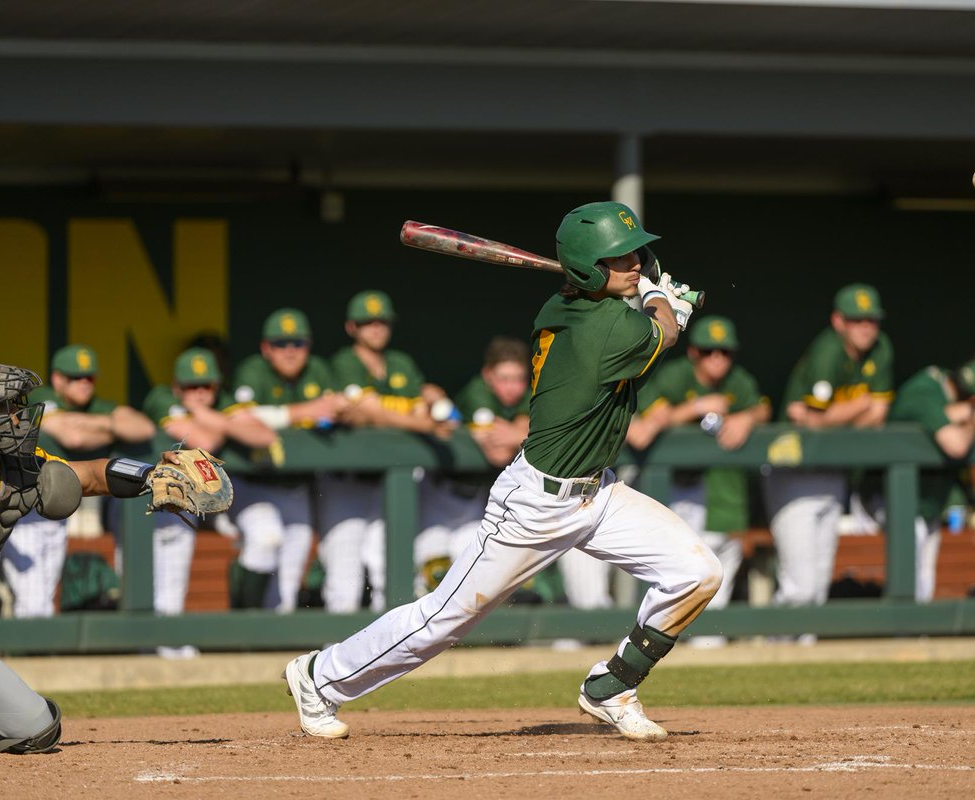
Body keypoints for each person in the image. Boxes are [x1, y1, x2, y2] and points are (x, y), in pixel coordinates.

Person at [284, 200, 719, 742]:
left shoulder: (568, 305)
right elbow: (663, 332)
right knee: (443, 620)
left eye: (634, 252)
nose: (634, 261)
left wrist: (646, 294)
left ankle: (613, 686)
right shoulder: (600, 330)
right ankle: (318, 677)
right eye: (619, 257)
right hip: (537, 504)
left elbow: (644, 321)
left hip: (598, 495)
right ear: (586, 269)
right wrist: (659, 295)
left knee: (696, 572)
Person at [0, 354, 175, 772]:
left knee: (35, 728)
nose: (17, 417)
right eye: (1, 408)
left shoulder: (15, 470)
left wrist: (153, 474)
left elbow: (91, 476)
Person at [627, 314, 770, 641]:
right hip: (671, 490)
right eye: (708, 351)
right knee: (670, 572)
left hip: (719, 491)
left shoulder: (739, 381)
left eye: (724, 351)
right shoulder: (674, 376)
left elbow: (763, 408)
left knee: (716, 568)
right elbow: (644, 429)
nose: (717, 358)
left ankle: (708, 641)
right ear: (693, 353)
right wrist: (694, 408)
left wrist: (746, 417)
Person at [0, 344, 155, 618]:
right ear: (58, 379)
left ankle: (33, 656)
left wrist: (93, 423)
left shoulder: (99, 406)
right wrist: (110, 427)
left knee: (41, 597)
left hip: (57, 505)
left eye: (89, 378)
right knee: (17, 595)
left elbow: (143, 428)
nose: (84, 384)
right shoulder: (42, 397)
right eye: (75, 378)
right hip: (21, 503)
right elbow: (74, 437)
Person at [316, 290, 450, 613]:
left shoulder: (400, 363)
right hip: (345, 482)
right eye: (367, 323)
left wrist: (430, 402)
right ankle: (332, 655)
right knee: (343, 575)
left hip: (389, 485)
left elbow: (427, 400)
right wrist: (424, 424)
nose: (376, 328)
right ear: (352, 328)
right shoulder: (343, 363)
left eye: (382, 322)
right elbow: (367, 412)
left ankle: (382, 653)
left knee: (389, 570)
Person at [766, 284, 893, 611]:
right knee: (800, 585)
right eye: (856, 320)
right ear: (839, 321)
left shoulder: (881, 350)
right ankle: (775, 650)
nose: (866, 327)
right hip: (793, 470)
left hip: (833, 469)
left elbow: (875, 417)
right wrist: (859, 406)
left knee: (820, 580)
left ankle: (804, 653)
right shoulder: (828, 350)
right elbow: (809, 420)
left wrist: (830, 418)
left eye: (872, 319)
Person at [141, 347, 274, 629]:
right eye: (192, 386)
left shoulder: (222, 401)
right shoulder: (161, 397)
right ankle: (164, 633)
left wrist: (203, 414)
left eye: (207, 385)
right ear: (177, 386)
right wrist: (225, 423)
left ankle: (248, 626)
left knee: (268, 533)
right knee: (167, 557)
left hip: (219, 486)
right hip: (159, 493)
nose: (200, 392)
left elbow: (264, 435)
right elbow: (204, 441)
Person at [229, 309, 342, 611]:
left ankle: (269, 647)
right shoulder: (252, 371)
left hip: (296, 487)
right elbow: (242, 418)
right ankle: (241, 622)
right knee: (265, 540)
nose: (290, 351)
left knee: (289, 584)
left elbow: (334, 409)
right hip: (253, 482)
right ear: (267, 348)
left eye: (298, 343)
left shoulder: (317, 370)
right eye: (281, 344)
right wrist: (302, 413)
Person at [887, 360, 975, 602]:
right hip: (890, 503)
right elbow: (957, 445)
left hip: (928, 505)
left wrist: (971, 413)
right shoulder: (923, 391)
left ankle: (917, 634)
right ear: (972, 398)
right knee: (908, 585)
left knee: (923, 582)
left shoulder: (948, 387)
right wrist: (972, 416)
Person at [415, 336, 530, 596]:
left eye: (518, 378)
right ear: (488, 375)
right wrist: (520, 435)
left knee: (471, 579)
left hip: (476, 503)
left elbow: (523, 423)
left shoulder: (522, 397)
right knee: (430, 575)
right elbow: (498, 453)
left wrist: (515, 433)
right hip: (439, 497)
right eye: (504, 378)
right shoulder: (478, 391)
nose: (512, 387)